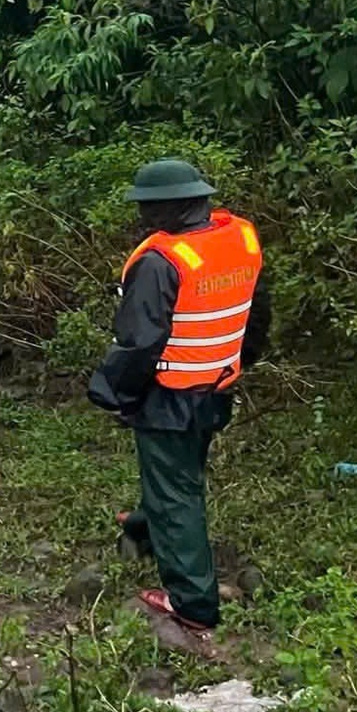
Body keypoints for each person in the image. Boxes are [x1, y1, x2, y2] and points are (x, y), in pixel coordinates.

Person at [90, 159, 270, 634]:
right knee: (180, 470)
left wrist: (114, 394)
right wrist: (239, 361)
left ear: (169, 206)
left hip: (170, 393)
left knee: (177, 490)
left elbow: (138, 343)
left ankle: (192, 603)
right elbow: (256, 311)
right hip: (217, 384)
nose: (143, 215)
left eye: (148, 207)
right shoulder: (239, 240)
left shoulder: (159, 262)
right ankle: (147, 523)